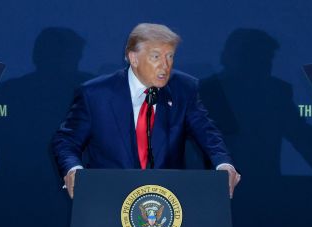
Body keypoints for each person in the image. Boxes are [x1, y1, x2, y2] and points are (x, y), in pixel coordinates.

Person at [52, 23, 240, 198]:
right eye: (156, 56)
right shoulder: (95, 94)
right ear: (133, 58)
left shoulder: (184, 88)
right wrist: (73, 170)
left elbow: (207, 133)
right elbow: (67, 141)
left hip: (167, 202)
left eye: (170, 56)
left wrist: (223, 164)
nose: (165, 66)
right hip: (108, 198)